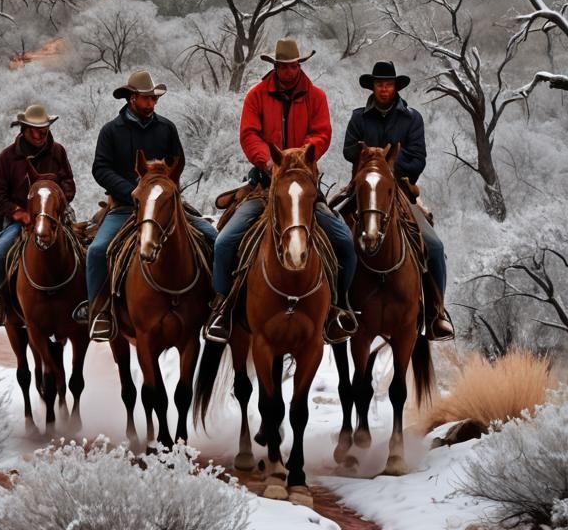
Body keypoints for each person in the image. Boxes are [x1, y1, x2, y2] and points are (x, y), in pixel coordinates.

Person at [203, 38, 358, 345]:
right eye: (283, 66)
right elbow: (249, 135)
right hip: (264, 186)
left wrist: (301, 154)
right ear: (274, 66)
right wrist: (270, 162)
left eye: (293, 65)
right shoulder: (256, 96)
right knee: (224, 242)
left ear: (300, 65)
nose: (289, 70)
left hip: (303, 186)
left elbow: (322, 132)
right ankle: (222, 307)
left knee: (344, 242)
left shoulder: (316, 97)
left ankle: (340, 306)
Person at [74, 70, 218, 342]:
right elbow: (100, 168)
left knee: (211, 236)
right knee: (97, 251)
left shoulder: (166, 128)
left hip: (164, 204)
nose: (152, 104)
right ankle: (100, 311)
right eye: (146, 99)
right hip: (125, 206)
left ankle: (215, 303)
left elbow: (178, 163)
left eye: (154, 99)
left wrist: (163, 190)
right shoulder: (111, 131)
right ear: (131, 99)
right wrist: (132, 191)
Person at [342, 60, 455, 340]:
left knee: (435, 246)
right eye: (379, 84)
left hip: (401, 192)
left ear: (395, 87)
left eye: (388, 84)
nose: (384, 88)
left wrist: (382, 160)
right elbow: (347, 150)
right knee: (335, 238)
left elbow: (418, 158)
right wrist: (376, 160)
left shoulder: (411, 118)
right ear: (373, 87)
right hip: (362, 191)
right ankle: (336, 307)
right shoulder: (358, 117)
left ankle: (436, 312)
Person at [0, 103, 75, 326]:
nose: (39, 134)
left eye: (43, 129)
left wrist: (56, 204)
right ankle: (0, 305)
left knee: (85, 250)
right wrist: (19, 213)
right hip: (20, 221)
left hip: (54, 217)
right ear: (23, 129)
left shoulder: (58, 152)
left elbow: (69, 183)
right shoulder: (7, 158)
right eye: (34, 129)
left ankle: (87, 304)